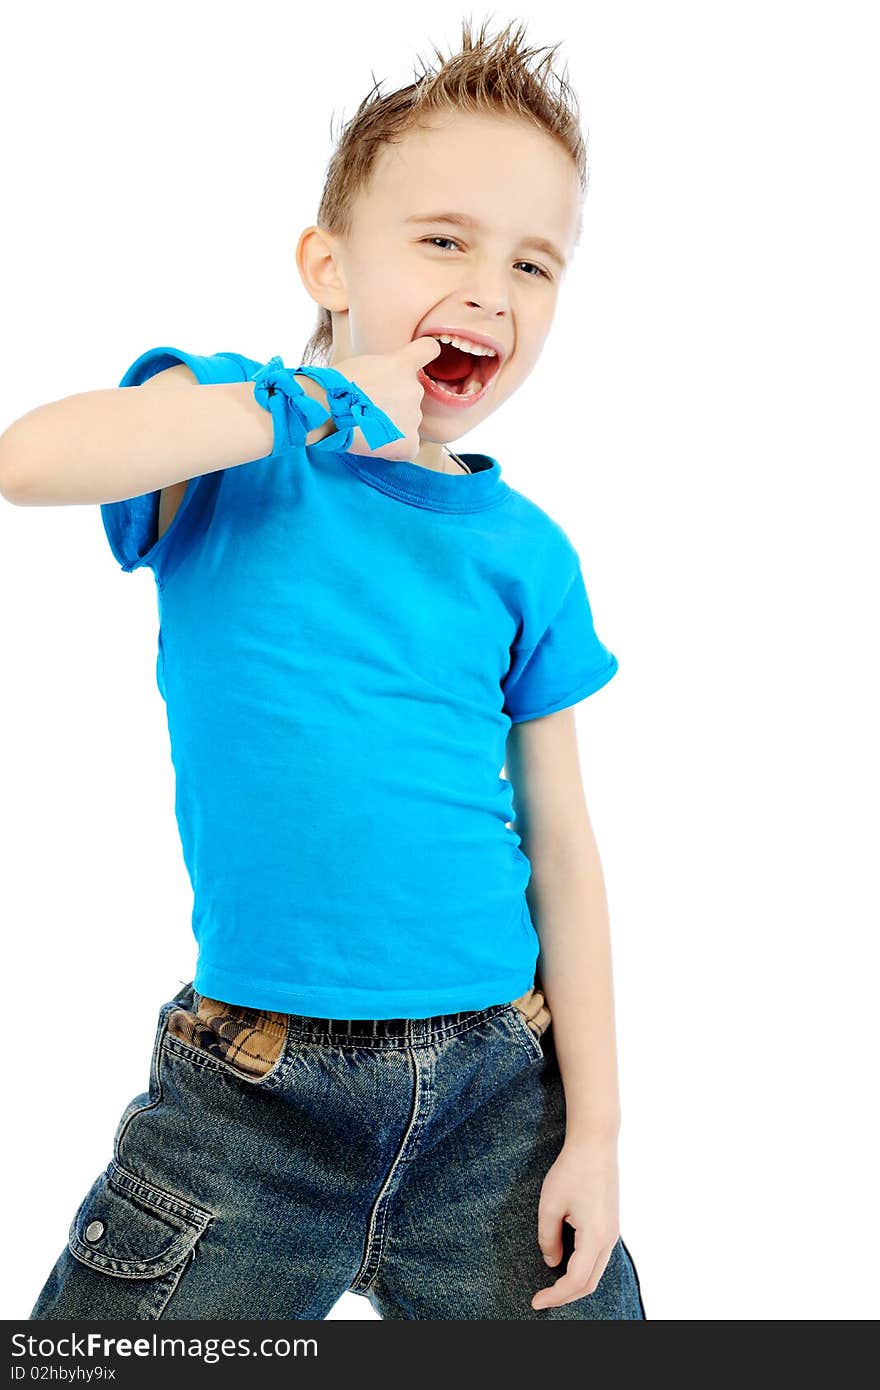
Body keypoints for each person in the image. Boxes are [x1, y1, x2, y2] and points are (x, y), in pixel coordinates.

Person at [2, 17, 646, 1320]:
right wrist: (298, 400)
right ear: (328, 266)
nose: (491, 289)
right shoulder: (233, 443)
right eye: (446, 240)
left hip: (495, 1100)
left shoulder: (526, 551)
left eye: (535, 262)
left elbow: (564, 845)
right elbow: (31, 457)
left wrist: (599, 1133)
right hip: (249, 1099)